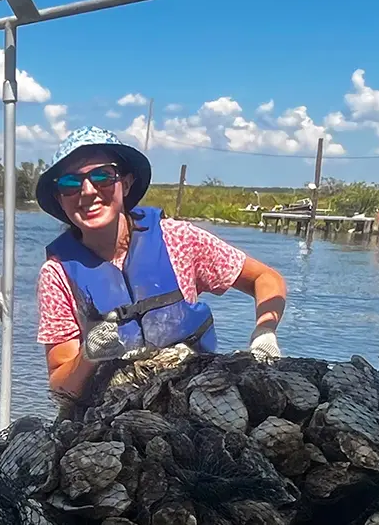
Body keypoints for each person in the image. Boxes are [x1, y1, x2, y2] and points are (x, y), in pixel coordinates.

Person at [34, 126, 287, 399]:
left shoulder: (176, 238)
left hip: (195, 396)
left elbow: (265, 278)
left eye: (102, 176)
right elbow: (60, 383)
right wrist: (87, 357)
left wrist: (265, 332)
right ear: (60, 199)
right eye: (70, 184)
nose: (87, 191)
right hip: (111, 415)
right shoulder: (57, 274)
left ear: (126, 183)